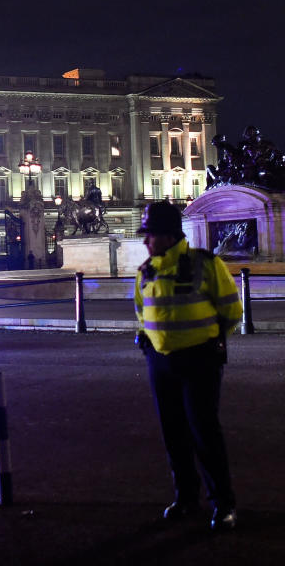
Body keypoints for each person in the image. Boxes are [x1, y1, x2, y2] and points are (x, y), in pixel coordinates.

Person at [134, 201, 243, 531]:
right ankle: (185, 497)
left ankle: (224, 503)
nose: (144, 241)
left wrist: (211, 341)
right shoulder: (146, 270)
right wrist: (146, 340)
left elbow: (231, 310)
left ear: (167, 236)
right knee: (173, 435)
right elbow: (142, 312)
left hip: (199, 360)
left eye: (149, 235)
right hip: (160, 362)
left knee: (204, 432)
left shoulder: (205, 264)